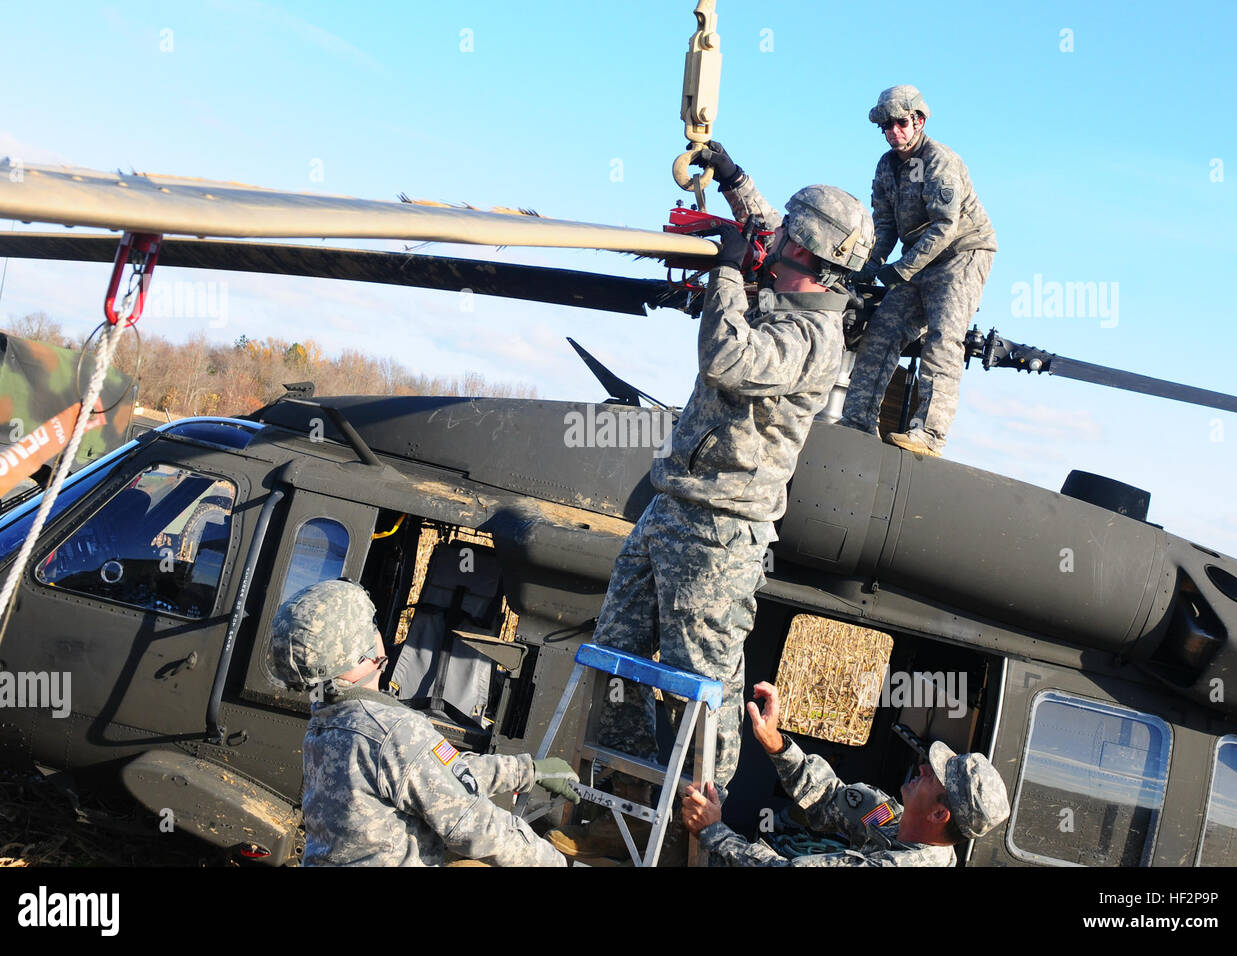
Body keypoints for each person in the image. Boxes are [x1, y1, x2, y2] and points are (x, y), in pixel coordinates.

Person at [547, 148, 875, 858]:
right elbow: (762, 222)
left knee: (701, 687)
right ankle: (619, 800)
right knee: (617, 655)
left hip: (722, 530)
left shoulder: (812, 336)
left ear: (811, 258)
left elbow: (727, 358)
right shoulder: (793, 282)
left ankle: (698, 826)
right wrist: (730, 176)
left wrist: (726, 271)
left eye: (786, 240)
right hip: (673, 505)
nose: (772, 242)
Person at [268, 578, 578, 867]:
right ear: (359, 652)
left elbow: (432, 776)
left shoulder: (329, 717)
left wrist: (527, 771)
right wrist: (555, 862)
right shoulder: (392, 731)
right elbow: (474, 825)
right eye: (371, 625)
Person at [682, 681, 1010, 866]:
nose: (922, 767)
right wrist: (776, 743)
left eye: (933, 776)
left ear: (940, 813)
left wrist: (716, 832)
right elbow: (829, 797)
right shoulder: (895, 820)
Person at [839, 85, 997, 457]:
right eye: (887, 126)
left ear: (919, 121)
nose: (894, 131)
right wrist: (869, 266)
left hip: (962, 254)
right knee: (881, 332)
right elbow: (885, 225)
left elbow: (945, 226)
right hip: (918, 259)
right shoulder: (886, 167)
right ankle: (857, 421)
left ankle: (929, 433)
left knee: (943, 338)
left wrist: (901, 270)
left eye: (901, 123)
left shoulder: (940, 161)